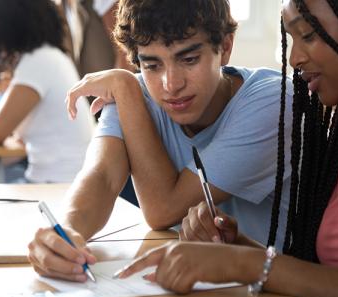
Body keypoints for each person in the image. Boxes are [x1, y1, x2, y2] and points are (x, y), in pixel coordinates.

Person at [114, 0, 338, 297]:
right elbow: (331, 277)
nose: (294, 58)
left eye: (307, 35)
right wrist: (235, 247)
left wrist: (247, 264)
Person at [28, 0, 293, 282]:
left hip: (280, 292)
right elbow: (102, 175)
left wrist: (126, 86)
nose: (171, 84)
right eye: (152, 65)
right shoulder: (134, 90)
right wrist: (67, 232)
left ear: (225, 47)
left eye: (189, 59)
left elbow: (162, 210)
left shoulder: (273, 102)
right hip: (201, 284)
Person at [0, 0, 96, 183]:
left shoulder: (38, 62)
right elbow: (12, 132)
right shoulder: (48, 56)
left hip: (58, 185)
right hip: (59, 180)